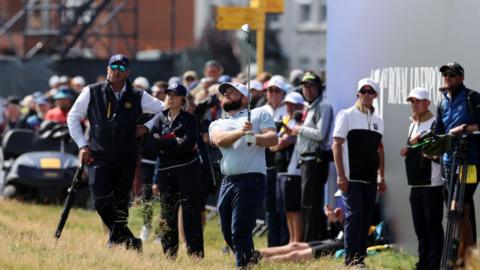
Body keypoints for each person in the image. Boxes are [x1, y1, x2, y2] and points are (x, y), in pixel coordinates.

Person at [66, 54, 164, 251]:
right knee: (101, 201)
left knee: (120, 202)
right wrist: (82, 145)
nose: (117, 71)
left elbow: (166, 110)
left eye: (122, 67)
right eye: (114, 67)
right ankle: (130, 240)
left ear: (127, 71)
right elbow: (73, 116)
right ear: (107, 68)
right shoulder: (92, 91)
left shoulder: (137, 95)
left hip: (126, 155)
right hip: (98, 154)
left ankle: (115, 241)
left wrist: (147, 127)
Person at [209, 82, 278, 268]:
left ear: (245, 98)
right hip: (228, 181)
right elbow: (218, 140)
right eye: (225, 93)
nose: (226, 95)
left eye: (232, 92)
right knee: (227, 231)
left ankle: (244, 265)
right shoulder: (218, 123)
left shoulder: (258, 113)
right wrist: (241, 132)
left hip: (252, 179)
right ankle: (250, 258)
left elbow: (273, 138)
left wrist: (253, 138)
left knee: (239, 230)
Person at [332, 77, 386, 267]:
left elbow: (380, 150)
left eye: (371, 91)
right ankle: (351, 259)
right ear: (358, 93)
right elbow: (336, 145)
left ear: (375, 95)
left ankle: (360, 259)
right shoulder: (346, 115)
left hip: (370, 179)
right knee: (355, 216)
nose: (367, 94)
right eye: (364, 91)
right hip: (350, 178)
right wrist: (340, 175)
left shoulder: (379, 120)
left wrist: (381, 177)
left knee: (365, 217)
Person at [150, 83, 204, 258]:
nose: (170, 97)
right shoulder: (159, 118)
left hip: (188, 172)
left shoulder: (190, 119)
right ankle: (169, 255)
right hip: (165, 173)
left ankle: (195, 255)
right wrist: (174, 141)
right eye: (168, 94)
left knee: (191, 213)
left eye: (175, 95)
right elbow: (152, 144)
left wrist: (165, 143)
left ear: (182, 99)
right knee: (167, 214)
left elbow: (188, 144)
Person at [435, 62, 479, 265]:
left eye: (452, 74)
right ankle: (462, 258)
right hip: (448, 164)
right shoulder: (442, 102)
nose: (448, 77)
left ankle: (467, 260)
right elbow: (439, 132)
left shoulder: (472, 97)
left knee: (461, 207)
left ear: (461, 78)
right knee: (455, 212)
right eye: (445, 74)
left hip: (469, 162)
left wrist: (464, 128)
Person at [286, 72, 333, 243]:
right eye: (305, 86)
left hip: (316, 160)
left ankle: (312, 243)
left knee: (312, 204)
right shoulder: (309, 107)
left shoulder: (324, 106)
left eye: (311, 86)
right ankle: (311, 241)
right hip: (306, 160)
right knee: (306, 203)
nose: (307, 90)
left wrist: (299, 129)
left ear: (319, 88)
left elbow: (321, 134)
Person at [400, 87, 444, 270]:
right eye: (412, 101)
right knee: (420, 229)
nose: (414, 104)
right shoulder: (412, 124)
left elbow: (440, 152)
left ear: (427, 103)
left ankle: (433, 265)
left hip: (432, 184)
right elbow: (411, 149)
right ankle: (423, 264)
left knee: (433, 228)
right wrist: (408, 148)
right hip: (415, 184)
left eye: (417, 101)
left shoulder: (436, 123)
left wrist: (418, 147)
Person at [269, 92, 306, 243]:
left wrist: (279, 141)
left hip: (293, 171)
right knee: (286, 210)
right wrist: (279, 141)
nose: (289, 107)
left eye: (293, 104)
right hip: (281, 170)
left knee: (294, 209)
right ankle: (291, 241)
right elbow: (272, 146)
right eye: (288, 104)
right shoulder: (285, 121)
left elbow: (283, 143)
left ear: (299, 106)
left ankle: (296, 242)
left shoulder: (299, 123)